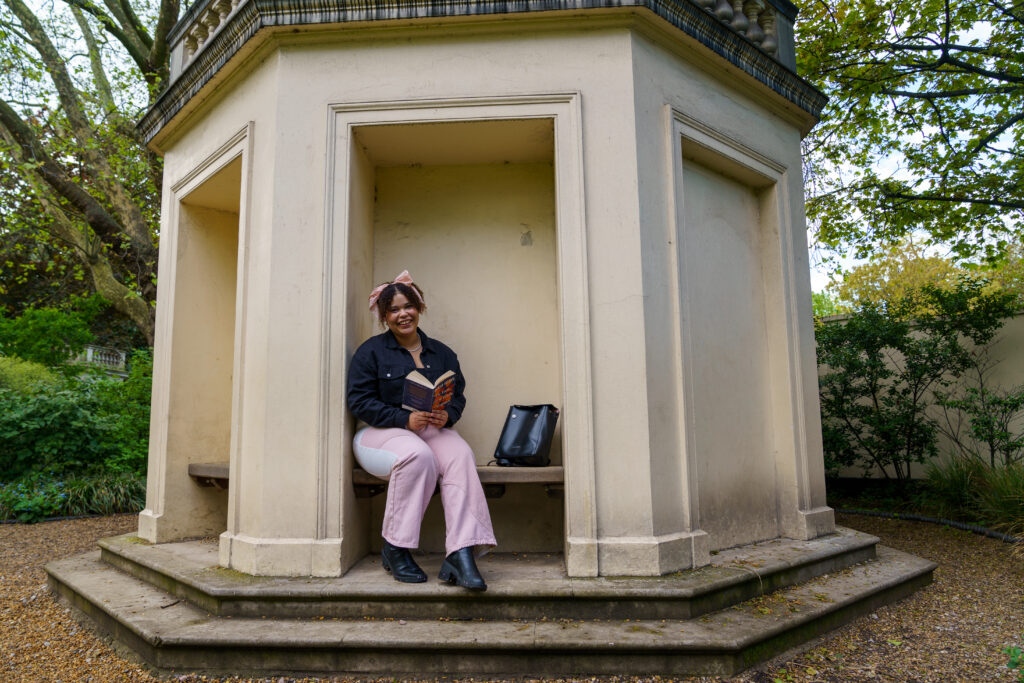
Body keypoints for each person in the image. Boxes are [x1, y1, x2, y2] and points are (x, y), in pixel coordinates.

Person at [347, 270, 496, 591]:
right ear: (384, 317)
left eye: (408, 307)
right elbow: (358, 401)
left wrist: (447, 415)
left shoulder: (442, 353)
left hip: (429, 430)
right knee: (418, 455)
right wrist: (404, 420)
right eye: (394, 310)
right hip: (378, 434)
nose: (403, 314)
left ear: (419, 307)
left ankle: (461, 551)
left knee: (460, 454)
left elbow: (457, 396)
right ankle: (396, 547)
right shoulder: (371, 352)